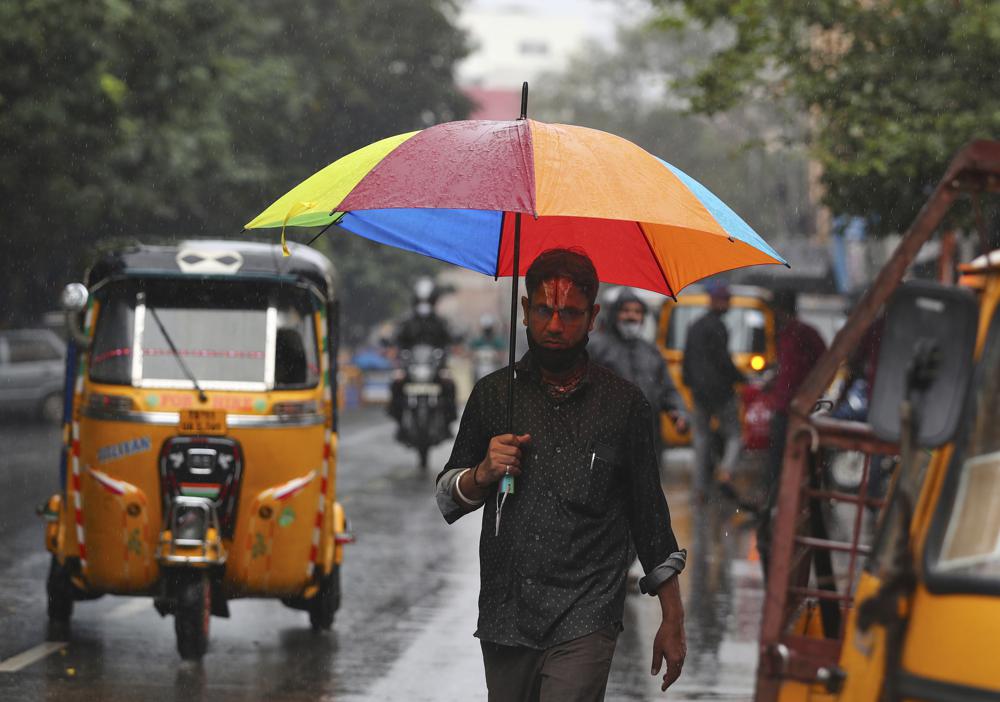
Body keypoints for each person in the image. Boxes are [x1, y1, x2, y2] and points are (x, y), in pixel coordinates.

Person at [435, 248, 687, 701]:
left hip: (586, 614)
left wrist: (673, 618)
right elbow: (448, 497)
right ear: (526, 310)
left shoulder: (624, 406)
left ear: (592, 317)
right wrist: (483, 472)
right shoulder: (493, 396)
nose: (555, 325)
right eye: (545, 311)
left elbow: (649, 515)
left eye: (570, 313)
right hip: (506, 613)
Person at [755, 288, 827, 574]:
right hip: (783, 408)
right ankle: (775, 503)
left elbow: (824, 361)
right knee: (776, 460)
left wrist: (811, 393)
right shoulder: (784, 334)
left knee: (795, 460)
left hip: (797, 410)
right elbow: (787, 369)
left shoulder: (803, 333)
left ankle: (787, 504)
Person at [589, 289, 689, 459]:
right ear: (615, 314)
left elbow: (667, 389)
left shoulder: (650, 352)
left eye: (637, 312)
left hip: (646, 440)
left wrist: (679, 412)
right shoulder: (595, 347)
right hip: (606, 440)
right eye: (626, 311)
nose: (632, 316)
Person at [681, 283, 745, 502]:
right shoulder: (718, 327)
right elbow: (723, 362)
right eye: (726, 300)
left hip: (699, 393)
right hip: (721, 393)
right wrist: (742, 378)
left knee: (701, 440)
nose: (729, 304)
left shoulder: (696, 326)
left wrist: (692, 385)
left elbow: (686, 362)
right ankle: (726, 472)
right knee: (735, 435)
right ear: (717, 301)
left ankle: (699, 489)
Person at [388, 276, 457, 424]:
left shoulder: (440, 322)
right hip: (411, 366)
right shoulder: (406, 321)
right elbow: (397, 339)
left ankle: (450, 416)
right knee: (395, 382)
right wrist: (397, 353)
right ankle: (396, 414)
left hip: (435, 367)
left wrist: (452, 343)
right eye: (421, 301)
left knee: (450, 384)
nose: (424, 305)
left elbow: (450, 338)